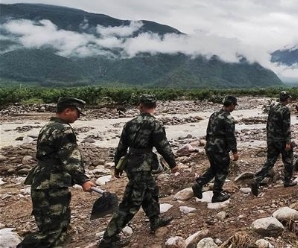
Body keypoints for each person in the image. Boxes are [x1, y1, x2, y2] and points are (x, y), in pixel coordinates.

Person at [99, 95, 178, 248]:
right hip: (143, 165)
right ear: (154, 106)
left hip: (131, 163)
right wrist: (173, 164)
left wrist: (117, 167)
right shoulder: (155, 124)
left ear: (140, 106)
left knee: (151, 190)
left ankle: (155, 220)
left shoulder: (129, 124)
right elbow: (163, 146)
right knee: (131, 202)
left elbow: (121, 147)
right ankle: (108, 238)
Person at [18, 97, 95, 248]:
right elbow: (70, 158)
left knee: (49, 223)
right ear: (67, 110)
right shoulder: (63, 129)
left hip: (41, 181)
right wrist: (84, 180)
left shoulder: (48, 126)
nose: (78, 116)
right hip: (52, 184)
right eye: (77, 113)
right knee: (53, 230)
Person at [192, 95, 239, 202]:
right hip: (220, 148)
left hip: (210, 146)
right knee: (222, 169)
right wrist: (234, 152)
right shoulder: (228, 118)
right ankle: (217, 194)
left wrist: (209, 143)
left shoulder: (214, 115)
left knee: (214, 168)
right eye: (234, 105)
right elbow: (230, 136)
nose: (234, 107)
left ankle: (199, 183)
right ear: (231, 105)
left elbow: (208, 131)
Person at [251, 91, 295, 196]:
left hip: (271, 139)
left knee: (270, 162)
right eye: (289, 98)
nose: (290, 100)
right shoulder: (285, 110)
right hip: (281, 140)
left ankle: (257, 179)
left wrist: (269, 138)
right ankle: (287, 181)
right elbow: (286, 127)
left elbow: (268, 124)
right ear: (287, 99)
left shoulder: (273, 107)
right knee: (288, 160)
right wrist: (288, 142)